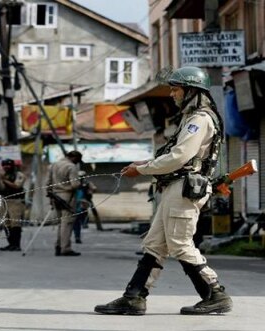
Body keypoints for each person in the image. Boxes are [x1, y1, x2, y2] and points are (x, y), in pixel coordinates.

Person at [95, 66, 231, 315]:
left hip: (184, 188)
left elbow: (180, 157)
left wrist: (143, 170)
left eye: (176, 89)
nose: (172, 94)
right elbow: (173, 157)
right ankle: (133, 297)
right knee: (154, 244)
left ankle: (215, 294)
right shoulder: (192, 118)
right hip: (175, 187)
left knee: (180, 244)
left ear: (192, 91)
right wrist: (142, 165)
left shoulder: (200, 119)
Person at [46, 150, 82, 256]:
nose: (77, 163)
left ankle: (58, 245)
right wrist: (80, 184)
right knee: (67, 223)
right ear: (74, 158)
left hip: (55, 196)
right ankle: (65, 248)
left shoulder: (53, 165)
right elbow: (75, 184)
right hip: (68, 196)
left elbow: (47, 183)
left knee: (60, 223)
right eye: (78, 160)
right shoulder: (71, 167)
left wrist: (51, 195)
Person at [0, 159, 26, 251]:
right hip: (5, 201)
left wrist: (4, 180)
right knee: (7, 224)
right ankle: (10, 244)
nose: (6, 167)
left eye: (8, 165)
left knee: (15, 224)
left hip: (15, 201)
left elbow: (16, 186)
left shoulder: (19, 175)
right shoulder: (4, 176)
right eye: (4, 165)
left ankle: (16, 245)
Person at [72, 171, 99, 243]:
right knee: (77, 218)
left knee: (90, 212)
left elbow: (94, 189)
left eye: (82, 176)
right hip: (76, 202)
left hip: (85, 200)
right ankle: (77, 235)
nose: (81, 178)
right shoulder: (74, 183)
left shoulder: (87, 183)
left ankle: (93, 225)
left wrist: (90, 191)